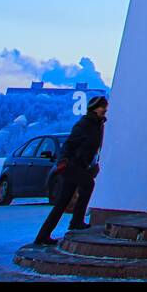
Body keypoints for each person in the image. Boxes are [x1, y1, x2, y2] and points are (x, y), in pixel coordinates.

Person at [32, 95, 108, 245]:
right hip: (72, 165)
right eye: (103, 107)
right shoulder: (85, 124)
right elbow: (70, 143)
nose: (105, 109)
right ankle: (76, 221)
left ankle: (43, 235)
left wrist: (93, 163)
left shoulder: (98, 124)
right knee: (88, 185)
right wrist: (64, 160)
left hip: (82, 165)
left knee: (62, 201)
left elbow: (94, 148)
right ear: (96, 108)